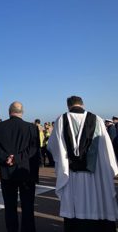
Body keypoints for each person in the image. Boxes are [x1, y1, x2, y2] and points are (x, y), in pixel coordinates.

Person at [47, 96, 118, 232]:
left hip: (72, 173)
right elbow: (106, 147)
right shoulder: (97, 119)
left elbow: (53, 146)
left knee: (75, 206)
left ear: (68, 106)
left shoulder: (61, 120)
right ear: (82, 104)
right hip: (95, 172)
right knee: (97, 199)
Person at [0, 101, 39, 232]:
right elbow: (33, 149)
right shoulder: (31, 128)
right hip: (26, 172)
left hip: (7, 171)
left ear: (9, 111)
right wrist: (17, 158)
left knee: (10, 206)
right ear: (22, 112)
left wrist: (7, 157)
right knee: (27, 206)